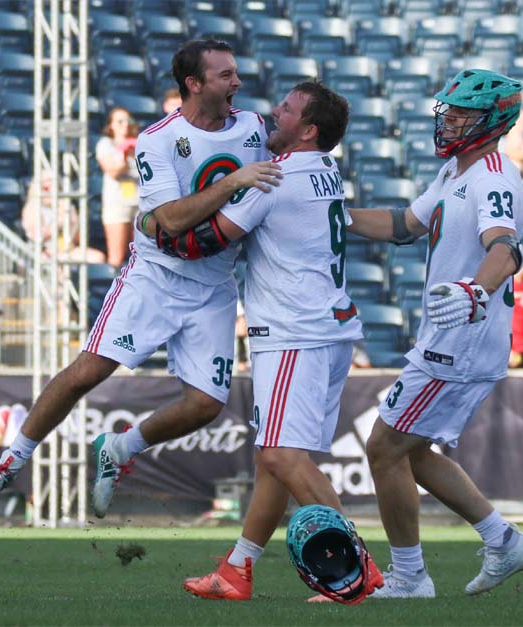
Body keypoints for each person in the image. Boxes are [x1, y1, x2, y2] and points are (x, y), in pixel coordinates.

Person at [0, 39, 282, 513]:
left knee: (206, 404)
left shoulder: (253, 125)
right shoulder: (157, 139)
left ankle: (119, 448)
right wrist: (234, 181)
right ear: (194, 84)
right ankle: (10, 461)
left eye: (235, 72)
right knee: (86, 373)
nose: (237, 81)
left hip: (215, 284)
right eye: (225, 75)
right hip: (156, 276)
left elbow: (285, 160)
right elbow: (170, 219)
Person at [143, 80, 384, 602]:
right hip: (326, 328)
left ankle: (360, 568)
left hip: (292, 332)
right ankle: (237, 569)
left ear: (309, 130)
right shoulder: (325, 169)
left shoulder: (276, 176)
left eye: (288, 109)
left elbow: (206, 238)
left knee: (279, 456)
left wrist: (154, 223)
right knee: (273, 457)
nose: (276, 111)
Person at [347, 69, 523, 598]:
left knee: (384, 447)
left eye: (462, 114)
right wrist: (335, 214)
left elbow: (505, 248)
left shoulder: (494, 176)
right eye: (449, 111)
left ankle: (410, 577)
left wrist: (476, 291)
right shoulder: (456, 170)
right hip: (447, 336)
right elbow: (403, 225)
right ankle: (503, 539)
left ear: (493, 120)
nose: (450, 121)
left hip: (462, 340)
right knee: (409, 451)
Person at [21, 172, 106, 263]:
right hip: (44, 250)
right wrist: (59, 223)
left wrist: (72, 220)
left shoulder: (66, 205)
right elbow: (37, 236)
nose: (50, 188)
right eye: (46, 188)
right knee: (55, 264)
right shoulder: (32, 207)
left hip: (67, 248)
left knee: (98, 257)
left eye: (53, 184)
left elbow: (78, 238)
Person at [96, 107, 140, 268]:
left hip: (139, 203)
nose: (125, 124)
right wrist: (124, 153)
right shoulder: (106, 144)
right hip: (117, 204)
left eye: (128, 120)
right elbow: (113, 171)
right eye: (120, 121)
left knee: (142, 253)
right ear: (111, 126)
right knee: (117, 256)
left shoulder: (140, 143)